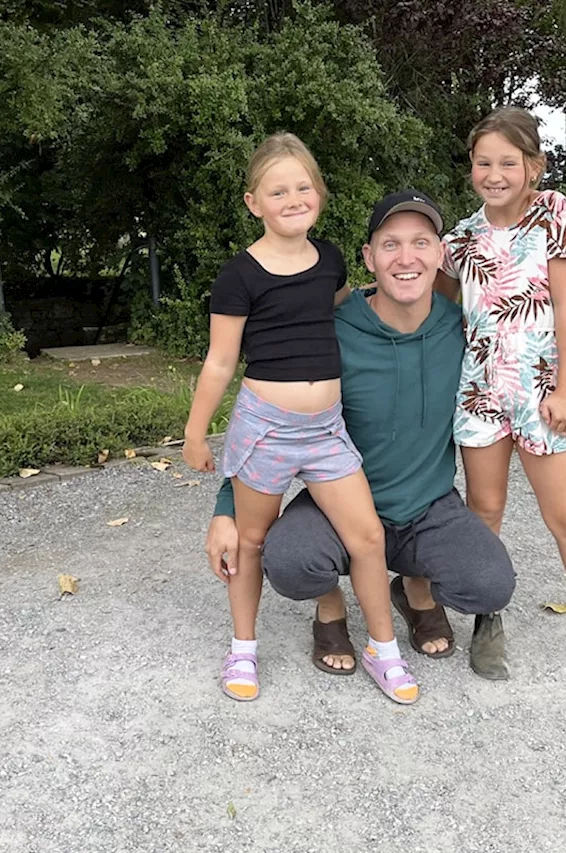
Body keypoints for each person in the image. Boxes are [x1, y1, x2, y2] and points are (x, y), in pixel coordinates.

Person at [206, 189, 517, 683]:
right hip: (338, 503)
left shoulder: (465, 329)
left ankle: (413, 588)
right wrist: (227, 507)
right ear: (369, 258)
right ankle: (329, 606)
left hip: (426, 506)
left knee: (490, 583)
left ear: (441, 255)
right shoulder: (333, 327)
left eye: (421, 242)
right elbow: (269, 418)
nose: (406, 257)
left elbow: (524, 369)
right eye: (390, 245)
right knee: (288, 560)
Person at [183, 134, 418, 705]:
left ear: (319, 193)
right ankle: (243, 647)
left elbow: (333, 306)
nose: (293, 197)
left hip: (327, 431)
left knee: (367, 537)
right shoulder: (238, 275)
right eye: (277, 190)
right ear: (253, 202)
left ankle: (383, 650)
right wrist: (195, 430)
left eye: (303, 186)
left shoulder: (331, 258)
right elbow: (220, 360)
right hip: (265, 427)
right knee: (251, 539)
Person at [435, 106, 566, 697]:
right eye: (484, 162)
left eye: (509, 161)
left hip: (540, 395)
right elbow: (439, 309)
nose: (495, 173)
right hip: (480, 394)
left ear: (534, 165)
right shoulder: (459, 239)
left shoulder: (557, 215)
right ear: (472, 168)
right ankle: (487, 618)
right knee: (485, 513)